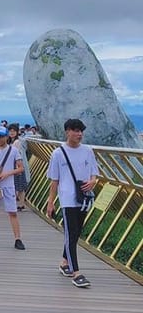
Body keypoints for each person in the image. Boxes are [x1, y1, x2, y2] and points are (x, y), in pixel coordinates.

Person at [46, 119, 98, 288]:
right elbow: (54, 181)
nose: (79, 134)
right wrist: (51, 202)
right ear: (67, 131)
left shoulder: (88, 151)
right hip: (67, 198)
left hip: (83, 198)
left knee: (75, 233)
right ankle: (76, 272)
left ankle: (64, 262)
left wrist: (92, 182)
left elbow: (94, 174)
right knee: (71, 233)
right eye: (76, 131)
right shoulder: (58, 153)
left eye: (81, 131)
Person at [8, 124, 29, 211]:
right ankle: (21, 204)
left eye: (13, 131)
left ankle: (21, 204)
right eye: (10, 131)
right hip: (15, 166)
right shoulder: (12, 142)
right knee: (19, 186)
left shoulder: (17, 142)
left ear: (17, 132)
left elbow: (17, 155)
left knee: (19, 186)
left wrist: (18, 168)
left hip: (17, 166)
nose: (12, 133)